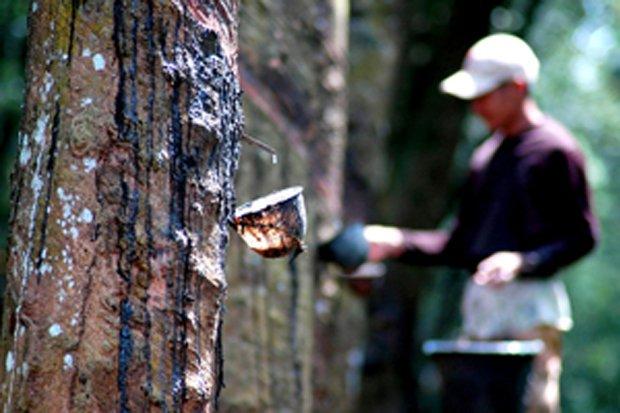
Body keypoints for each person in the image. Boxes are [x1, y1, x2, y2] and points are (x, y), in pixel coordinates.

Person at [320, 33, 598, 412]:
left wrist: (521, 262)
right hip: (482, 312)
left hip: (530, 315)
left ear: (517, 88)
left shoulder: (555, 151)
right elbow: (462, 245)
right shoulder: (486, 155)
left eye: (484, 95)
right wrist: (396, 242)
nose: (476, 105)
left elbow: (582, 237)